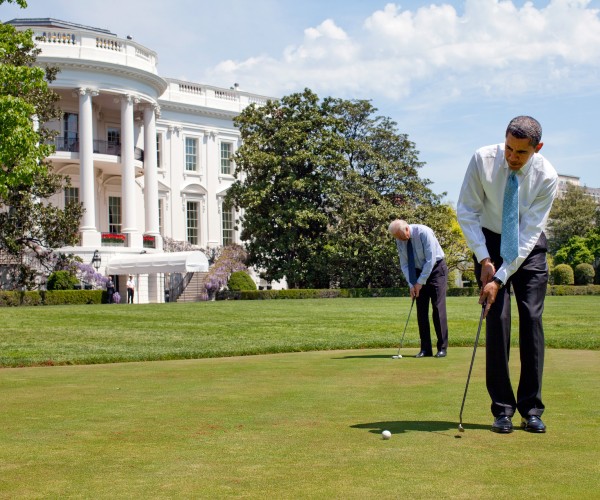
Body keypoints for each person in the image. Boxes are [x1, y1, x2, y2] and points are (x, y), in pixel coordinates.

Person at [457, 116, 558, 434]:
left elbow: (528, 234)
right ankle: (502, 410)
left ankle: (531, 409)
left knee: (530, 318)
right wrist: (484, 257)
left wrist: (500, 277)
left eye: (521, 153)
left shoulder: (547, 176)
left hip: (528, 247)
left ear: (536, 148)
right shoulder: (482, 159)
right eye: (509, 149)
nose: (512, 157)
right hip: (488, 240)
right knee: (497, 320)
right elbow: (467, 211)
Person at [388, 219, 449, 358]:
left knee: (438, 308)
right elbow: (404, 264)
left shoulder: (424, 232)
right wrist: (412, 284)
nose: (401, 240)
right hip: (416, 272)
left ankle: (442, 348)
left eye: (402, 236)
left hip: (436, 270)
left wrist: (420, 282)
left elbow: (430, 259)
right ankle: (425, 349)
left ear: (407, 229)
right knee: (421, 311)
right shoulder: (399, 239)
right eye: (398, 238)